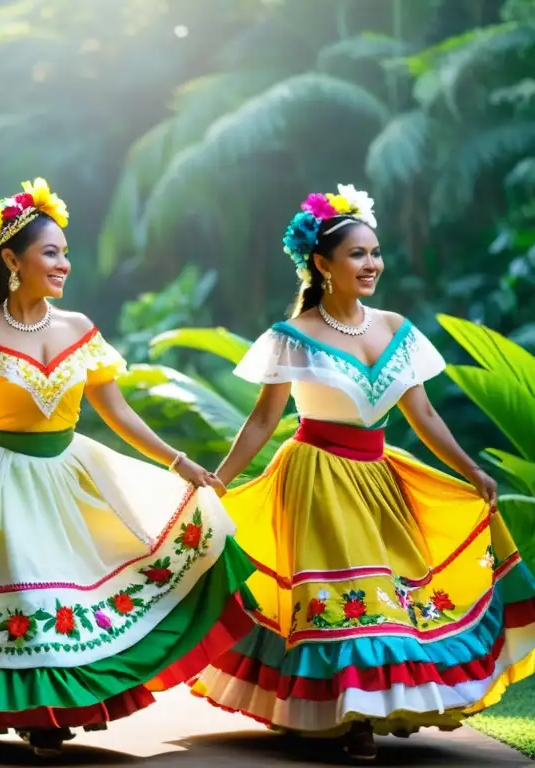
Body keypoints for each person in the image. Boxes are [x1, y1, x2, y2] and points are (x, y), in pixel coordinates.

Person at [0, 178, 256, 755]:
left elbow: (118, 412)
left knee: (73, 595)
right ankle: (39, 716)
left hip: (71, 474)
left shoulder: (79, 329)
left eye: (64, 253)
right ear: (11, 260)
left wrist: (179, 463)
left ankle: (54, 713)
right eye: (50, 252)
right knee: (25, 600)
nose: (63, 264)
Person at [191, 185, 535, 761]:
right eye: (357, 254)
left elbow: (422, 414)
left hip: (380, 475)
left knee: (397, 599)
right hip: (316, 477)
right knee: (353, 598)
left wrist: (470, 468)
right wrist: (220, 478)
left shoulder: (396, 327)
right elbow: (260, 422)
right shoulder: (291, 338)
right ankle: (354, 720)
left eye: (375, 252)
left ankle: (381, 706)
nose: (371, 263)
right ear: (322, 264)